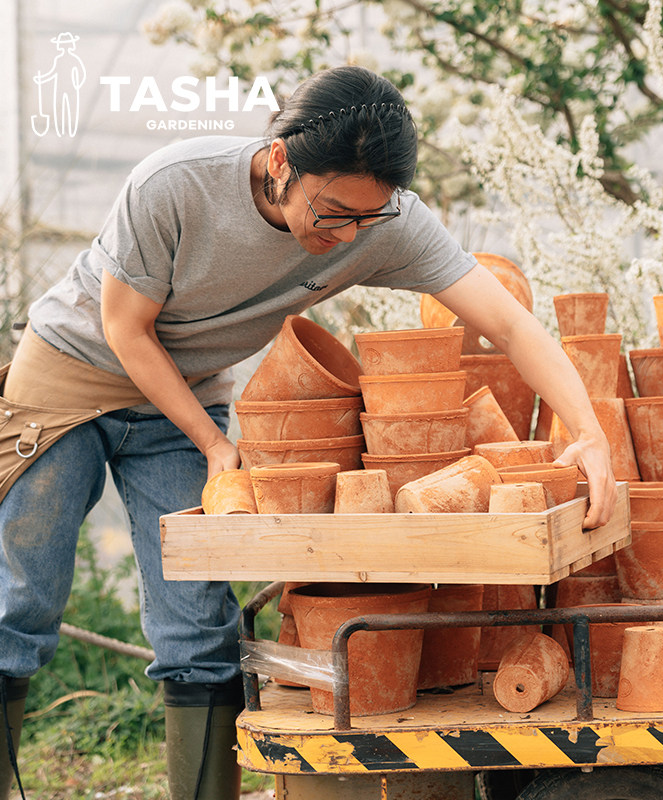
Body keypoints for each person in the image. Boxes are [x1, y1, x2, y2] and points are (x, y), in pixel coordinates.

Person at [0, 65, 616, 799]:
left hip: (183, 393)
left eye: (368, 217)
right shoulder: (175, 184)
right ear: (282, 159)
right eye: (331, 212)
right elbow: (124, 329)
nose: (348, 234)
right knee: (23, 602)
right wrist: (213, 443)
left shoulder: (385, 222)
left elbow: (512, 325)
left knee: (197, 625)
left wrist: (591, 433)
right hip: (68, 376)